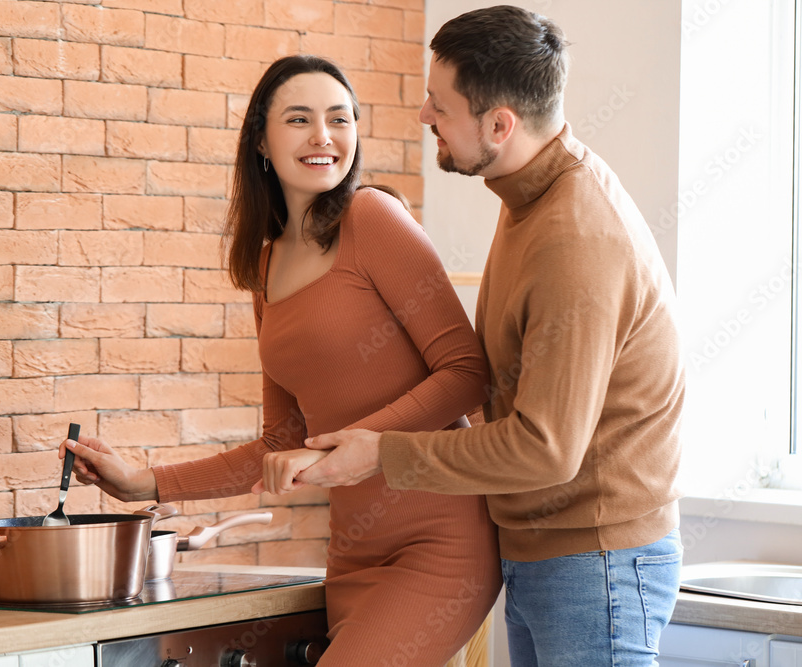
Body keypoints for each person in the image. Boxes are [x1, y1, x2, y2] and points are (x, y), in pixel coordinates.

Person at [271, 8, 685, 666]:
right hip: (546, 552)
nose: (423, 116)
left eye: (440, 104)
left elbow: (547, 448)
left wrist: (383, 453)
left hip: (595, 560)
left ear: (499, 125)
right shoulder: (528, 198)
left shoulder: (573, 238)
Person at [59, 55, 502, 666]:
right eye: (300, 119)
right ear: (262, 141)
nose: (324, 137)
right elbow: (282, 439)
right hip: (352, 549)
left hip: (440, 541)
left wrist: (350, 443)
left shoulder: (373, 218)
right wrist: (145, 480)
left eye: (339, 119)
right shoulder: (266, 268)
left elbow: (467, 374)